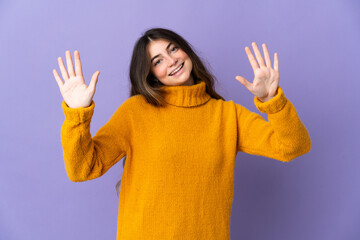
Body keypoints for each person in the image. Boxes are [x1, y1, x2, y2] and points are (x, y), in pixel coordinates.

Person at [53, 28, 311, 240]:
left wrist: (272, 101)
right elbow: (81, 169)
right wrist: (78, 113)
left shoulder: (226, 115)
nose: (171, 60)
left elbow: (293, 146)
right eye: (158, 61)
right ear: (150, 74)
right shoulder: (136, 112)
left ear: (185, 50)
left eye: (173, 49)